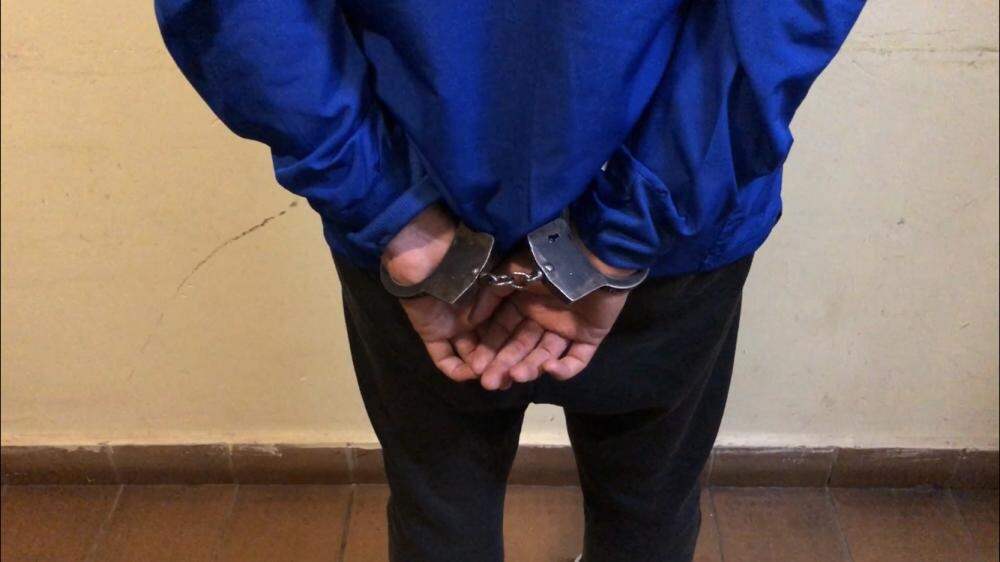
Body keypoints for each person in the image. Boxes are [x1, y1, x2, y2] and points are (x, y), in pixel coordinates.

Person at [155, 2, 865, 560]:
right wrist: (627, 231)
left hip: (422, 223)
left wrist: (388, 208)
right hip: (668, 229)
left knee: (441, 511)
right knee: (646, 509)